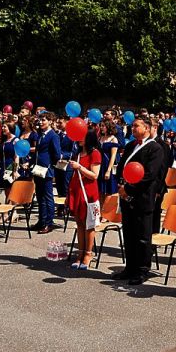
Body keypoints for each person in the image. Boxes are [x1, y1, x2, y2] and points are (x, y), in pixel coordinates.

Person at [114, 117, 164, 285]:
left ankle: (142, 270)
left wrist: (129, 189)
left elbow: (150, 175)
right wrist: (121, 185)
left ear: (147, 128)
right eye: (132, 125)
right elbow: (121, 167)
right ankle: (130, 267)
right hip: (126, 196)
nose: (133, 128)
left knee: (142, 236)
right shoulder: (130, 146)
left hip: (143, 197)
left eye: (136, 126)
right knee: (128, 233)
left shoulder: (155, 148)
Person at [66, 129, 101, 270]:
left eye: (82, 137)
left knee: (89, 225)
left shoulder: (95, 153)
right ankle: (80, 253)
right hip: (77, 191)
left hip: (89, 193)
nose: (79, 139)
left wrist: (79, 167)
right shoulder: (78, 154)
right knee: (80, 223)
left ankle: (88, 253)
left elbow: (94, 175)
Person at [33, 112, 61, 234]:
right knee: (40, 196)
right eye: (40, 120)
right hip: (38, 169)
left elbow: (56, 154)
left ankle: (49, 223)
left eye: (43, 120)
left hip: (46, 169)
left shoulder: (53, 136)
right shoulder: (40, 135)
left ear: (50, 121)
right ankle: (41, 220)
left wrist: (50, 165)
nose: (41, 122)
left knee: (48, 196)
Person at [97, 120, 120, 201]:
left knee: (108, 190)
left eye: (103, 126)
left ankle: (105, 210)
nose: (101, 128)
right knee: (99, 190)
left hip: (107, 165)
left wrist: (108, 170)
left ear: (108, 127)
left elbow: (113, 156)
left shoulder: (113, 139)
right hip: (99, 164)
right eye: (101, 126)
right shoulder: (100, 137)